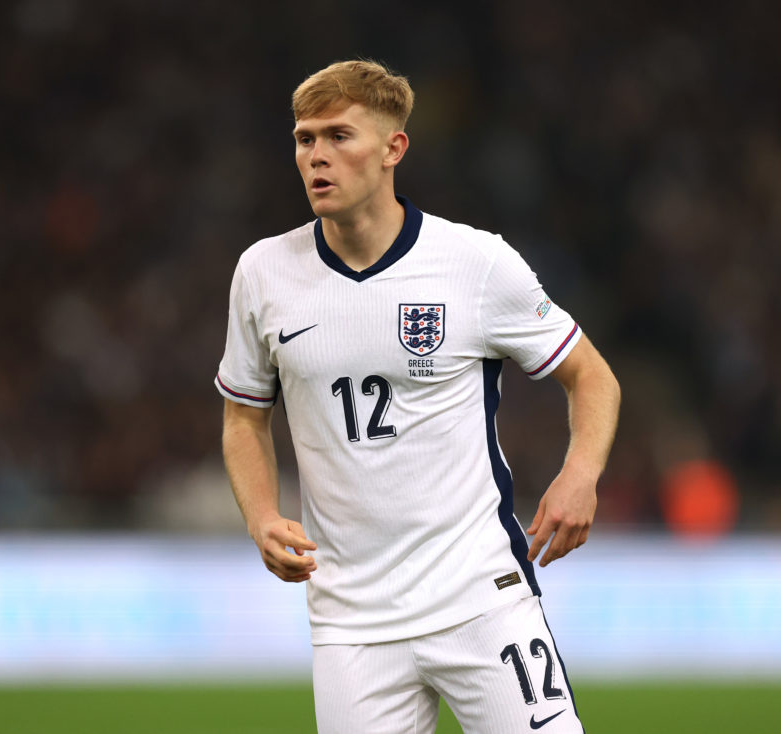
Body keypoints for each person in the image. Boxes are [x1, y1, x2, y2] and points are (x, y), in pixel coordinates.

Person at [218, 60, 620, 734]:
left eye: (338, 136)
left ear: (393, 149)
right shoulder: (263, 274)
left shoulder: (476, 263)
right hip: (352, 622)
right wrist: (261, 515)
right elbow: (242, 415)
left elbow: (592, 375)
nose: (316, 156)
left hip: (480, 600)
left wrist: (581, 474)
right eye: (304, 139)